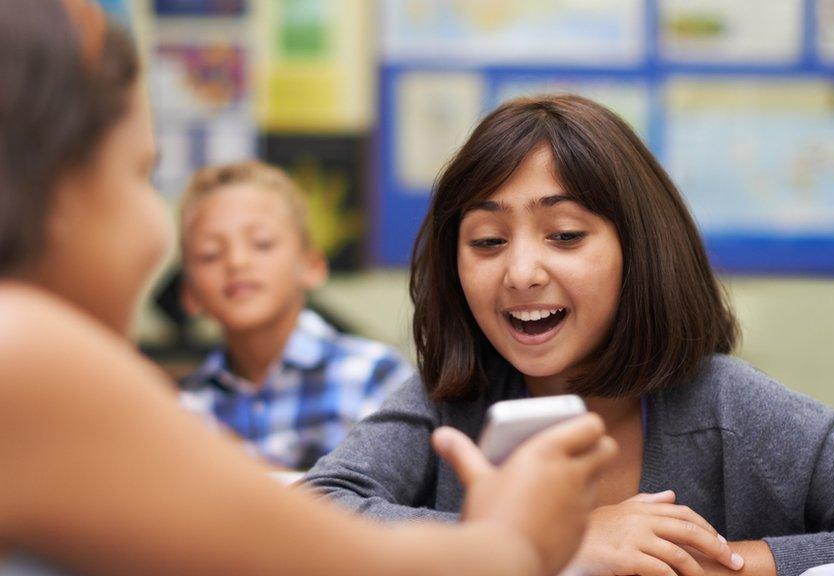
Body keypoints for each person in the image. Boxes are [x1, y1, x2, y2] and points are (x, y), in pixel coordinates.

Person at [0, 2, 617, 575]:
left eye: (565, 234)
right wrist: (522, 536)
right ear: (54, 190)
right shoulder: (23, 354)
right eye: (140, 174)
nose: (155, 232)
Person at [302, 94, 834, 576]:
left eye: (565, 234)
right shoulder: (445, 399)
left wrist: (724, 562)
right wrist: (557, 545)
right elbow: (312, 514)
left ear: (637, 251)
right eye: (487, 241)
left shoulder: (733, 410)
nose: (520, 271)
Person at [177, 160, 413, 470]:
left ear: (312, 267)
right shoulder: (183, 411)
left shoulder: (374, 377)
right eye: (210, 254)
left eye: (262, 243)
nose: (236, 261)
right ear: (190, 295)